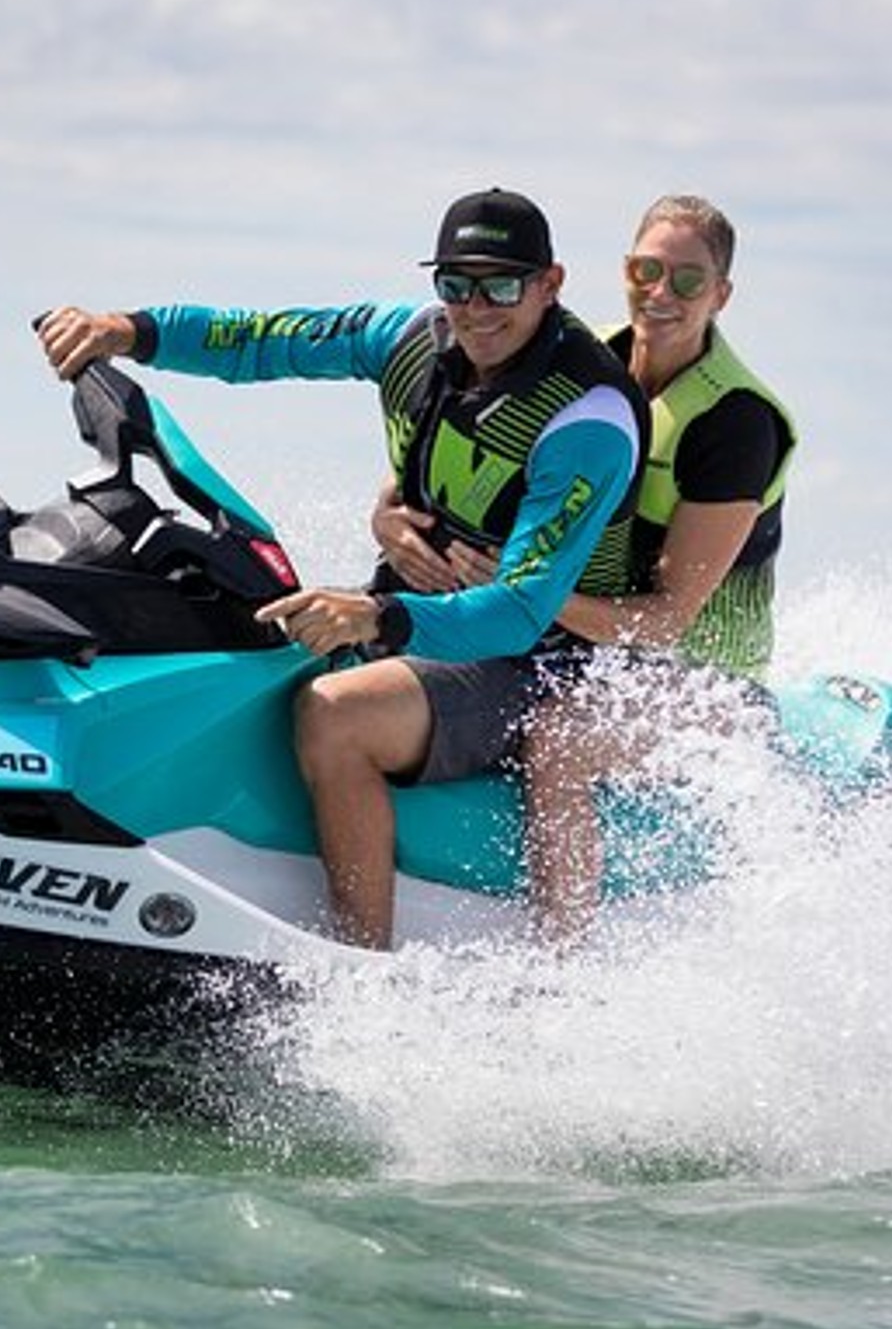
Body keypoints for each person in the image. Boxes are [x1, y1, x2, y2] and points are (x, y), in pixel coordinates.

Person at [35, 188, 645, 949]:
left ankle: (360, 965)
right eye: (456, 284)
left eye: (501, 287)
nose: (475, 308)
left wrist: (377, 617)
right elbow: (262, 339)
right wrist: (128, 331)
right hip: (421, 615)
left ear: (550, 284)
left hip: (541, 663)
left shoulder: (587, 418)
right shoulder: (409, 339)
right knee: (231, 633)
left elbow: (522, 612)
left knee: (336, 713)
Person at [373, 193, 796, 925]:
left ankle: (564, 961)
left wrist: (530, 591)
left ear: (721, 295)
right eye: (646, 270)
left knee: (558, 743)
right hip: (577, 647)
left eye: (688, 280)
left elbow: (665, 623)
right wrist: (387, 518)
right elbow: (437, 458)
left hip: (702, 680)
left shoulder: (735, 422)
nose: (661, 293)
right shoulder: (576, 363)